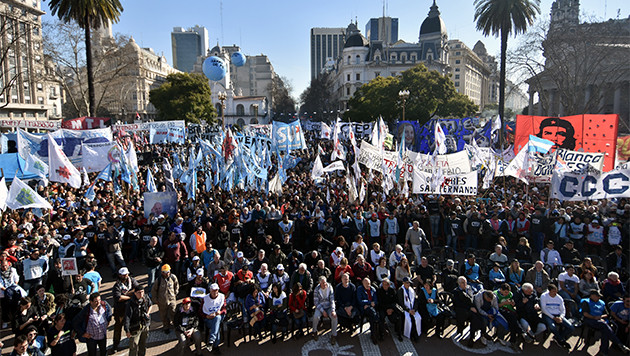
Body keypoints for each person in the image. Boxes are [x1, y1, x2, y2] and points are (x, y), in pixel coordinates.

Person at [581, 289, 630, 355]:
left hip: (600, 321)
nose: (599, 297)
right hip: (589, 319)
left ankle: (604, 351)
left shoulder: (601, 302)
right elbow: (585, 314)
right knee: (604, 325)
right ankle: (619, 344)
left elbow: (607, 314)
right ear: (592, 296)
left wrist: (601, 317)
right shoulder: (586, 302)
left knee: (605, 330)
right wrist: (595, 317)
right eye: (597, 296)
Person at [112, 267, 139, 353]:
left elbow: (137, 289)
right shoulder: (116, 285)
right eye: (124, 275)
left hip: (131, 309)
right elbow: (118, 297)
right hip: (120, 311)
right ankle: (115, 345)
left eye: (127, 274)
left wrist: (126, 295)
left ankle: (132, 343)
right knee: (118, 328)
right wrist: (130, 296)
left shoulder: (132, 281)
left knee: (132, 326)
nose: (126, 276)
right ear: (120, 275)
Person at [540, 284, 573, 349]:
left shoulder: (559, 298)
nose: (555, 293)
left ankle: (558, 337)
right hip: (548, 315)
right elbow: (544, 309)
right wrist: (553, 318)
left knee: (571, 327)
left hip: (558, 315)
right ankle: (561, 340)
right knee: (552, 326)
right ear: (549, 291)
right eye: (553, 291)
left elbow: (563, 309)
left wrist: (561, 317)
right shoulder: (544, 296)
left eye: (556, 291)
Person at [124, 286, 152, 356]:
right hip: (135, 327)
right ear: (135, 293)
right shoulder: (131, 303)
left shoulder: (146, 298)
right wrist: (127, 330)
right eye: (139, 292)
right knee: (133, 346)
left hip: (145, 325)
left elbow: (150, 305)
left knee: (143, 345)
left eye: (142, 292)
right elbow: (127, 317)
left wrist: (148, 314)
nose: (141, 294)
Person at [151, 264, 179, 334]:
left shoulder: (173, 277)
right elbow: (154, 290)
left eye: (168, 272)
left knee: (173, 312)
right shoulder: (159, 280)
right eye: (164, 272)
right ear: (162, 272)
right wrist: (155, 300)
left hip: (172, 299)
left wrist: (175, 293)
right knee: (163, 315)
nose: (166, 274)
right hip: (162, 301)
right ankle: (166, 326)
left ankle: (175, 325)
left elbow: (176, 285)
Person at [312, 276, 338, 345]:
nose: (325, 284)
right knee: (316, 317)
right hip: (320, 307)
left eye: (325, 282)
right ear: (319, 283)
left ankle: (333, 335)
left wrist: (333, 310)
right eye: (323, 283)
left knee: (334, 317)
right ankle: (314, 331)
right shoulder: (316, 289)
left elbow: (332, 299)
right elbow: (316, 302)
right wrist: (322, 311)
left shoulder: (330, 287)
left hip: (329, 306)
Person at [201, 283, 226, 353]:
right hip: (209, 319)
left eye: (216, 290)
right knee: (216, 327)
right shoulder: (205, 299)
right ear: (210, 291)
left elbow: (224, 309)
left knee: (217, 318)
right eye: (213, 290)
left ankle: (212, 341)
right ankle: (215, 346)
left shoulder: (221, 297)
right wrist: (207, 316)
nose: (215, 292)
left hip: (218, 317)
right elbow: (201, 311)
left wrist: (220, 312)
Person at [398, 277, 421, 341]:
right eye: (407, 283)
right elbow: (401, 303)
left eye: (409, 283)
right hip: (405, 309)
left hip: (412, 309)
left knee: (417, 318)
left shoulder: (411, 290)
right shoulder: (400, 291)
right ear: (403, 283)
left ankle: (416, 333)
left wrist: (414, 309)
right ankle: (411, 334)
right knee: (409, 319)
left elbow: (415, 300)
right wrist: (408, 310)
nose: (408, 284)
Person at [357, 277, 380, 344]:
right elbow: (360, 300)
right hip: (364, 308)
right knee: (372, 313)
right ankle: (375, 332)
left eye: (369, 283)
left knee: (372, 316)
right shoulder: (360, 289)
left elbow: (375, 300)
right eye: (366, 284)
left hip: (372, 307)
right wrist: (369, 303)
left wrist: (372, 303)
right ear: (363, 284)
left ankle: (374, 334)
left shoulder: (373, 289)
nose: (368, 285)